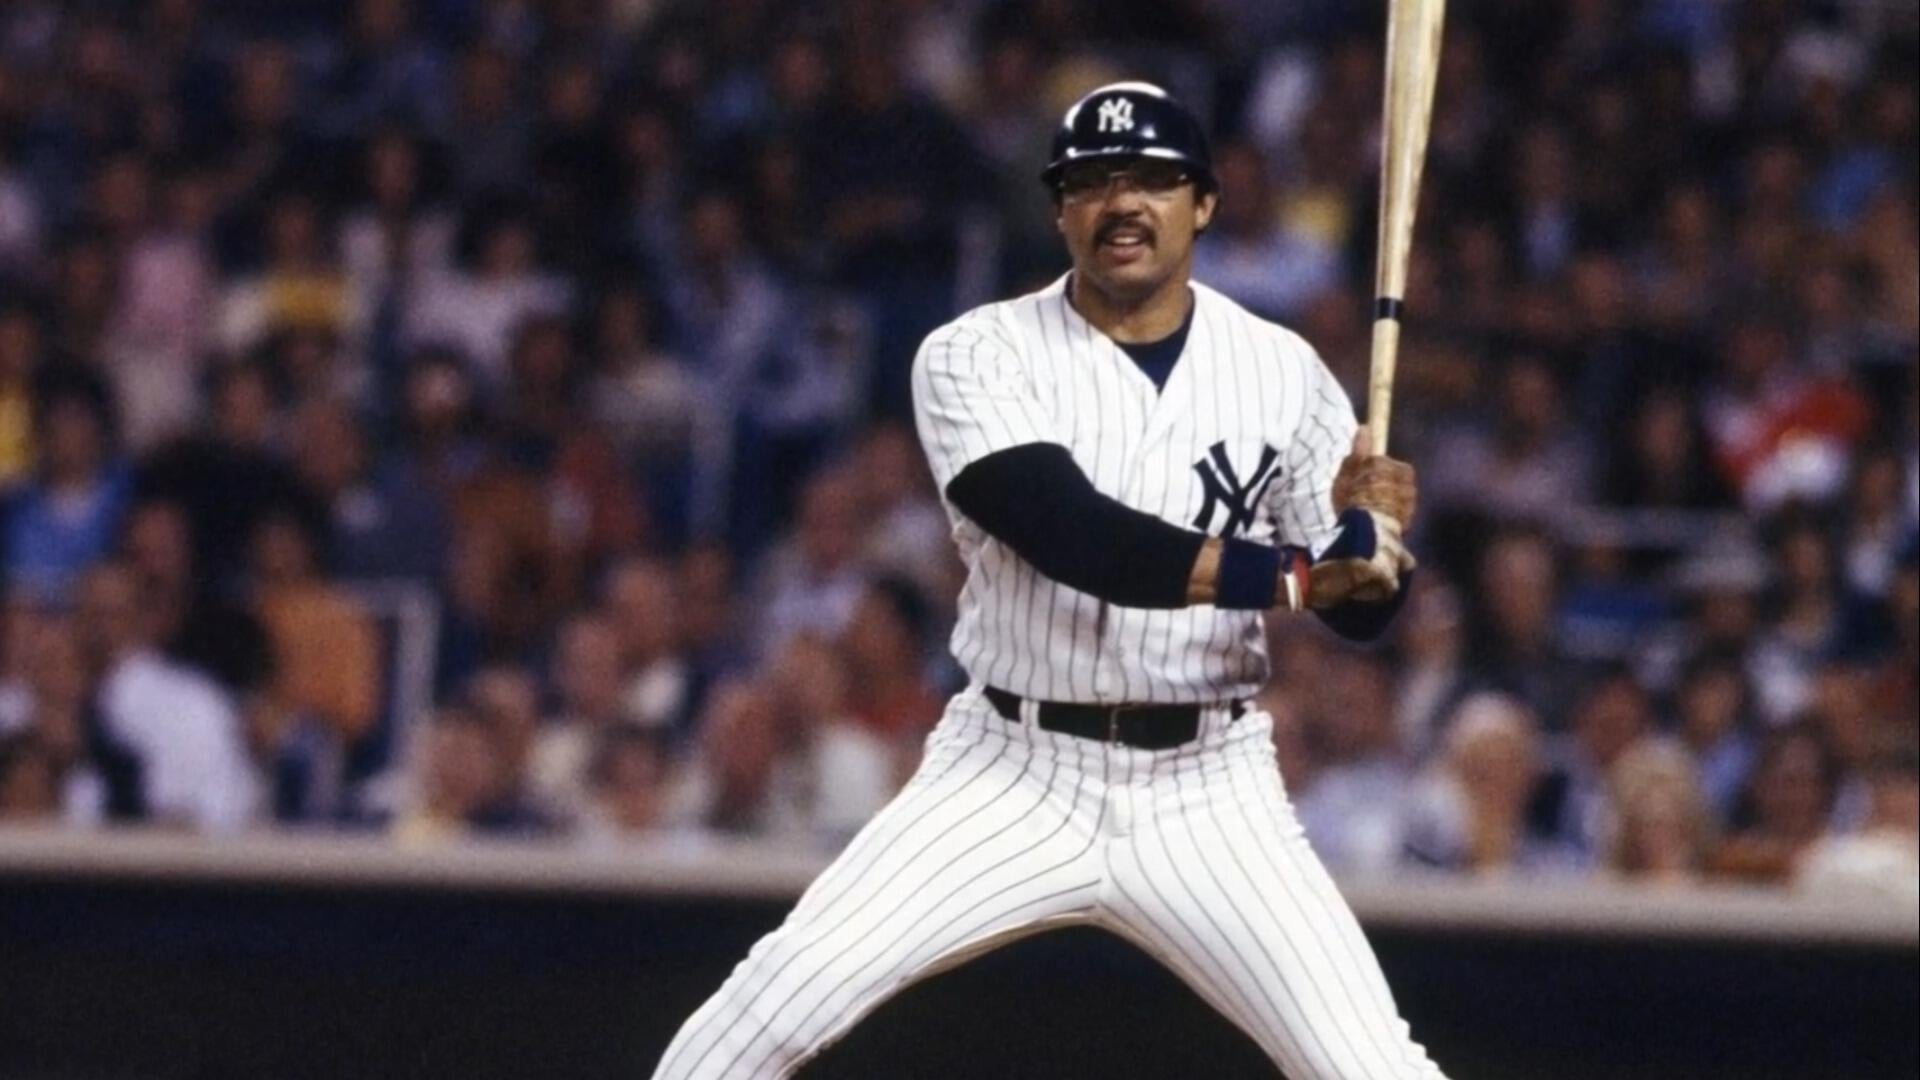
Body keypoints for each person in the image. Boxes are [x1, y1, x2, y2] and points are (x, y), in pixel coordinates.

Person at [655, 83, 1443, 1080]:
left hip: (1207, 785)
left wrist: (1372, 534)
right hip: (1011, 770)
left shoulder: (1283, 372)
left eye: (1152, 180)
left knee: (1373, 1065)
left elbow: (1365, 613)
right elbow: (1077, 538)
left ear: (1204, 203)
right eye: (1092, 182)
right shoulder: (975, 353)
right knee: (769, 1009)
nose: (1122, 203)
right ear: (1060, 210)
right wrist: (1300, 574)